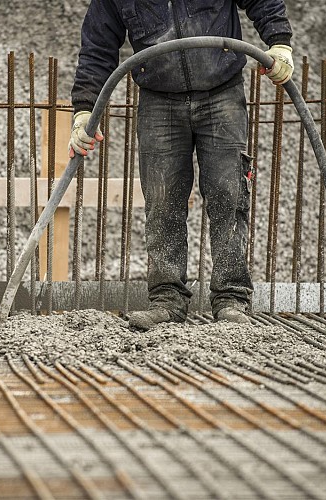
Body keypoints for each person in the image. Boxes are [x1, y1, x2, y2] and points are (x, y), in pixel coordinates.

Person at [68, 0, 294, 329]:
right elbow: (98, 44)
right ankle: (167, 300)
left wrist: (279, 42)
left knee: (227, 195)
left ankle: (232, 299)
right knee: (163, 202)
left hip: (222, 94)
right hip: (159, 100)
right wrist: (85, 108)